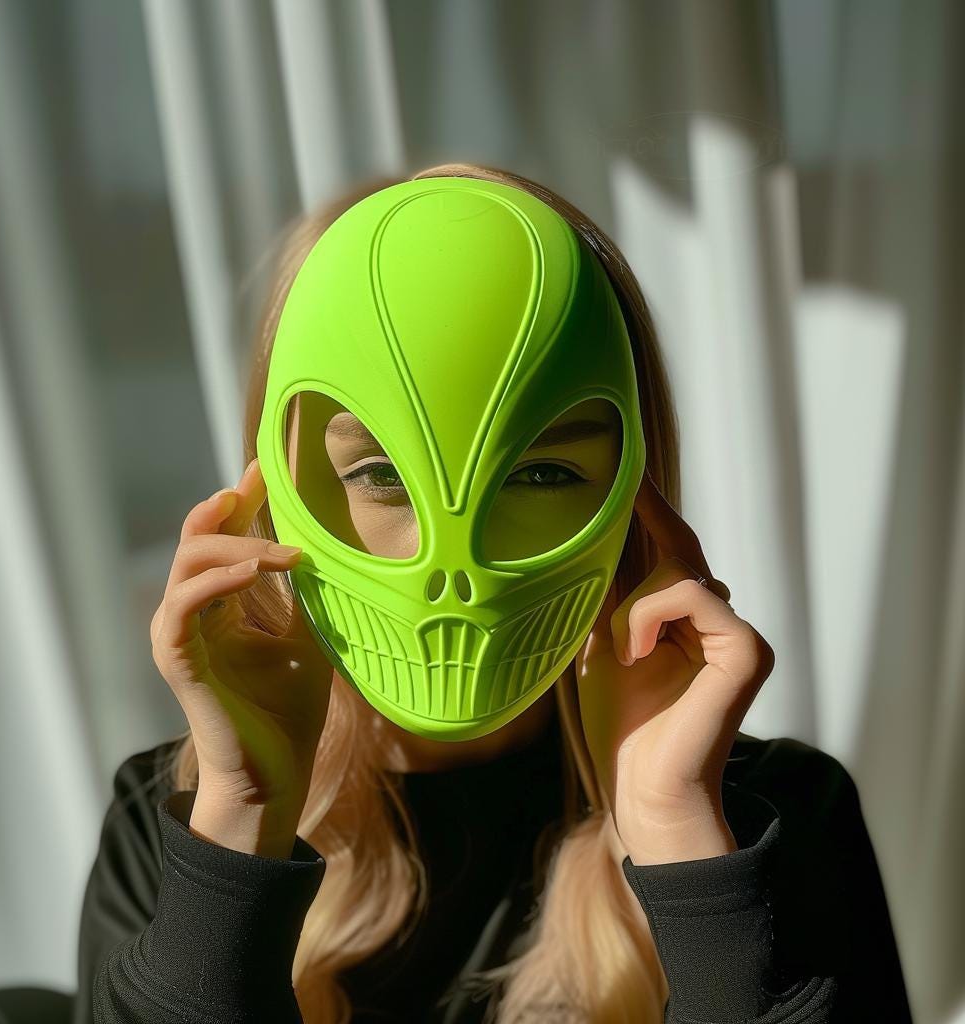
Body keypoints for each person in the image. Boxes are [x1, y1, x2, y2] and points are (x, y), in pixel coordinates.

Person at [73, 164, 913, 1024]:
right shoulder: (176, 826)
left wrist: (683, 840)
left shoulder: (772, 817)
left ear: (634, 484)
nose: (457, 566)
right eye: (382, 473)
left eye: (543, 470)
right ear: (279, 484)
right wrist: (240, 825)